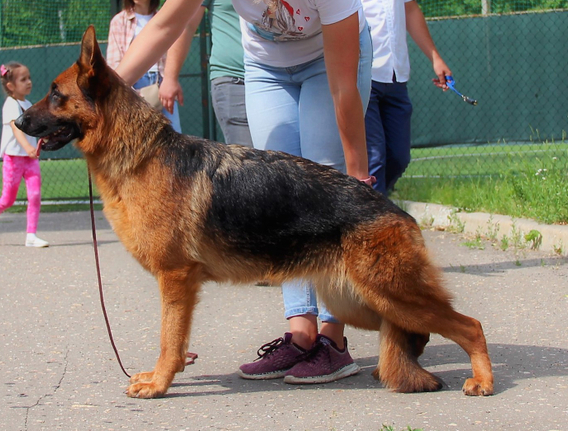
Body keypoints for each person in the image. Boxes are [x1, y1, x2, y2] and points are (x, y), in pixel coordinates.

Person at [115, 0, 375, 384]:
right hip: (267, 64)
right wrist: (105, 88)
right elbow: (163, 27)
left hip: (329, 64)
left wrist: (358, 175)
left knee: (328, 184)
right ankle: (301, 335)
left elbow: (342, 87)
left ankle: (333, 340)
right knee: (281, 196)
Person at [363, 0, 451, 196]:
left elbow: (410, 9)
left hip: (396, 76)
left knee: (399, 157)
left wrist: (435, 58)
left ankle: (370, 208)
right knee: (374, 158)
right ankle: (376, 220)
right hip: (362, 76)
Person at [161, 0, 253, 147]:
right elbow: (186, 25)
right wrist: (170, 77)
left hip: (282, 76)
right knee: (251, 158)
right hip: (234, 79)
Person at [0, 62, 48, 248]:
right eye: (23, 79)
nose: (29, 82)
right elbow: (17, 129)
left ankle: (31, 235)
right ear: (11, 86)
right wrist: (27, 148)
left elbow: (34, 128)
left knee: (35, 195)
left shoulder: (29, 104)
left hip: (30, 160)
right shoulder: (10, 105)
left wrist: (46, 137)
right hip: (14, 159)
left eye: (29, 78)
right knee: (8, 199)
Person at [106, 0, 183, 132]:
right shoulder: (119, 21)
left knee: (174, 134)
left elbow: (173, 52)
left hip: (161, 84)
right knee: (136, 137)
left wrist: (170, 80)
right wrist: (129, 92)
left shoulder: (163, 18)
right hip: (132, 84)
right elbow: (114, 63)